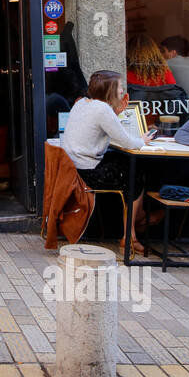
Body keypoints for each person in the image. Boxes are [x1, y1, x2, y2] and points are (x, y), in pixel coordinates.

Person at [61, 70, 151, 255]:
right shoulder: (102, 109)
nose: (122, 91)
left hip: (74, 168)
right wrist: (144, 140)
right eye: (119, 87)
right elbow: (128, 142)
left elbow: (104, 130)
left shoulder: (81, 104)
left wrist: (115, 111)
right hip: (89, 172)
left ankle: (136, 222)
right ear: (110, 91)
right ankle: (131, 234)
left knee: (127, 162)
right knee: (135, 174)